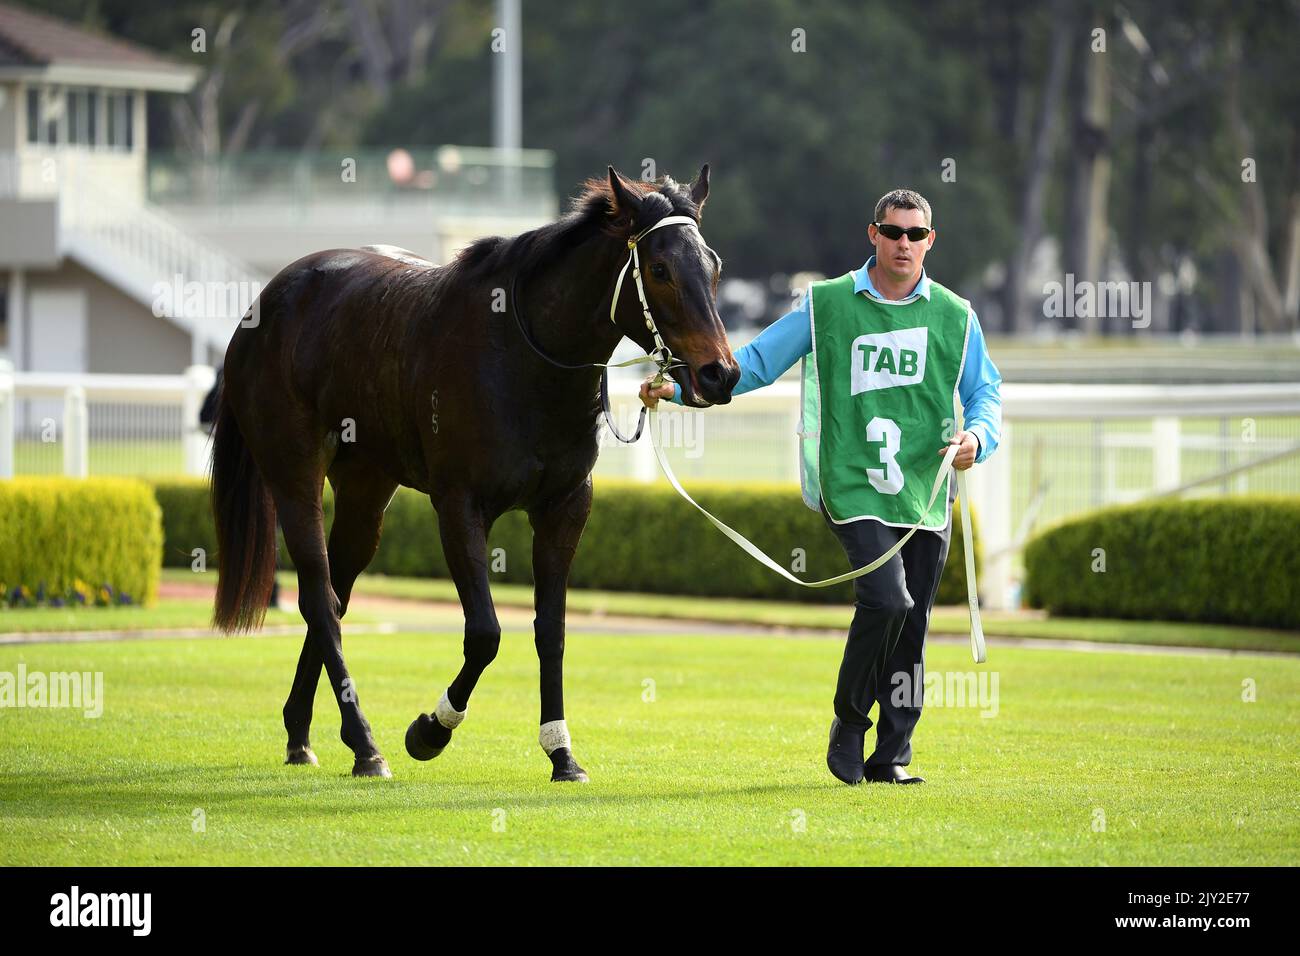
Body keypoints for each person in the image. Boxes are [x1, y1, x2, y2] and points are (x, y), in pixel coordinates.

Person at [640, 189, 1002, 785]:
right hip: (852, 486)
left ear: (930, 241)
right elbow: (755, 364)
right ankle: (849, 726)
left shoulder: (956, 315)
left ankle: (893, 757)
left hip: (927, 493)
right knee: (888, 600)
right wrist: (680, 392)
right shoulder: (827, 303)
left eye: (915, 234)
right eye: (893, 232)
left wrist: (979, 439)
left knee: (911, 628)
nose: (904, 243)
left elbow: (985, 392)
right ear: (873, 235)